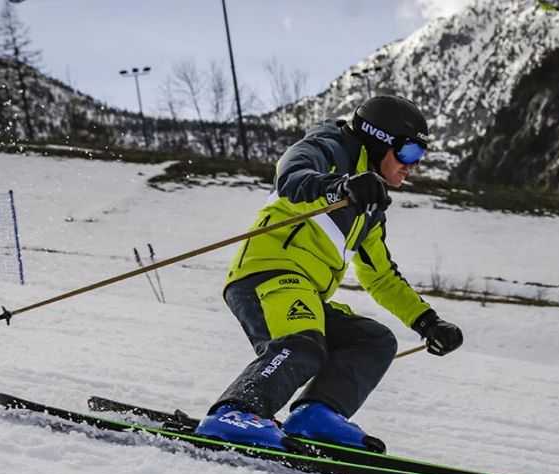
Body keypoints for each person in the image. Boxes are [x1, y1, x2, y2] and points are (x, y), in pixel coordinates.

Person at [195, 95, 463, 452]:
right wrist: (338, 185)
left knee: (373, 341)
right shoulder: (330, 148)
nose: (413, 165)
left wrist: (427, 322)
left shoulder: (369, 207)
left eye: (420, 155)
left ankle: (316, 415)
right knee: (302, 344)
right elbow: (291, 173)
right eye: (409, 151)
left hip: (304, 292)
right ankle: (236, 412)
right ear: (379, 140)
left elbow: (381, 276)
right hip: (264, 275)